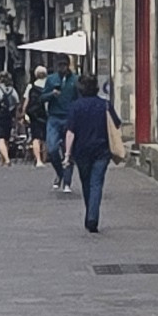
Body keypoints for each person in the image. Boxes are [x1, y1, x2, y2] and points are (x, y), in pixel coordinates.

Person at [59, 75, 117, 234]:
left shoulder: (76, 107)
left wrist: (67, 154)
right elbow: (116, 124)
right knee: (96, 183)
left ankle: (90, 214)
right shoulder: (105, 105)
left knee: (86, 183)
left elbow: (70, 132)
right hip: (102, 150)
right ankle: (92, 216)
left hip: (82, 151)